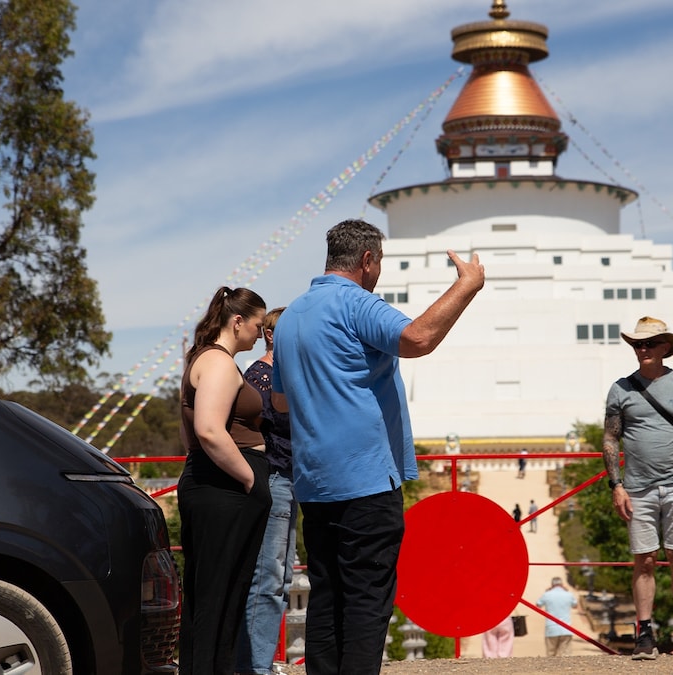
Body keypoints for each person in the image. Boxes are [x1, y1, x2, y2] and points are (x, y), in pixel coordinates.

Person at [271, 218, 484, 675]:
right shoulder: (355, 302)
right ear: (367, 260)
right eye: (380, 262)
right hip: (365, 478)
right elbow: (418, 338)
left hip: (313, 481)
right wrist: (467, 285)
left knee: (327, 597)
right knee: (368, 600)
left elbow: (281, 400)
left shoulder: (291, 318)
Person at [601, 316, 673, 661]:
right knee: (645, 560)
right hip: (637, 488)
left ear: (666, 347)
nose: (643, 349)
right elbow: (611, 438)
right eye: (638, 344)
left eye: (650, 343)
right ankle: (645, 634)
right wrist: (616, 486)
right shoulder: (620, 388)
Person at [176, 286, 273, 675]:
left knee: (214, 595)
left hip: (214, 484)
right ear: (237, 322)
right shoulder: (217, 363)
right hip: (226, 488)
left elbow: (190, 436)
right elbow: (208, 431)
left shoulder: (203, 359)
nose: (260, 331)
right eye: (257, 324)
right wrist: (252, 480)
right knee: (220, 597)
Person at [236, 307, 294, 675]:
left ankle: (259, 662)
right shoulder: (261, 375)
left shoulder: (282, 375)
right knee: (269, 577)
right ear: (272, 334)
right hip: (274, 477)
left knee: (280, 577)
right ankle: (255, 665)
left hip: (288, 478)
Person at [536, 577, 578, 657]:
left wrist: (547, 592)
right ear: (562, 584)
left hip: (551, 628)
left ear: (552, 584)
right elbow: (575, 606)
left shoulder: (547, 595)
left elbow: (538, 605)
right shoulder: (568, 594)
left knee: (551, 655)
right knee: (566, 654)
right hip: (566, 628)